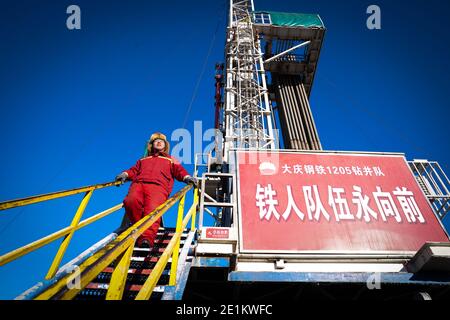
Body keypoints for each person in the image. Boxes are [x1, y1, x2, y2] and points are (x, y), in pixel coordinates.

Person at [115, 132, 197, 248]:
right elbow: (133, 170)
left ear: (165, 145)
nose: (158, 142)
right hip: (139, 184)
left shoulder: (171, 159)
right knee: (130, 202)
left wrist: (187, 178)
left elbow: (179, 171)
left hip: (158, 187)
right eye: (156, 141)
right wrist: (125, 174)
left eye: (161, 141)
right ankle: (138, 229)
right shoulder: (143, 160)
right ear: (152, 145)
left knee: (152, 210)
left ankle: (146, 238)